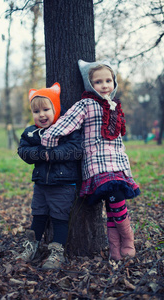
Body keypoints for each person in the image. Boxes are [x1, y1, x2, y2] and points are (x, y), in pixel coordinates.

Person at [41, 60, 141, 261]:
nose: (104, 85)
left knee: (112, 207)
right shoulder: (85, 104)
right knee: (115, 200)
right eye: (98, 82)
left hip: (118, 164)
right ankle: (128, 240)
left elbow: (119, 141)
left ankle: (115, 250)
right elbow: (67, 123)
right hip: (98, 165)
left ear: (114, 82)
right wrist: (47, 137)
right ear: (90, 84)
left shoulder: (114, 106)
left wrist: (127, 169)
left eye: (108, 80)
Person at [17, 82, 82, 269]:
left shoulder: (67, 129)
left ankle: (57, 253)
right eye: (36, 112)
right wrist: (40, 153)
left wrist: (51, 153)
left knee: (59, 218)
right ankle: (32, 247)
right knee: (38, 215)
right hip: (41, 184)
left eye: (46, 109)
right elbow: (23, 151)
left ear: (56, 108)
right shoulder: (31, 132)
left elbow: (76, 149)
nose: (41, 115)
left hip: (63, 184)